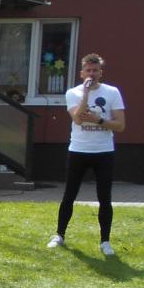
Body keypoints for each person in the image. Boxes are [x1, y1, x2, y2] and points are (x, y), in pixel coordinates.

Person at [48, 52, 125, 256]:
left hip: (104, 151)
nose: (92, 74)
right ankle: (59, 235)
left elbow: (120, 125)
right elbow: (78, 119)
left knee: (105, 198)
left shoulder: (112, 92)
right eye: (88, 70)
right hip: (78, 150)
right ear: (82, 73)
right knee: (69, 195)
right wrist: (86, 94)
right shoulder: (72, 93)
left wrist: (98, 120)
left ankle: (105, 241)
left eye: (95, 70)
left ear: (101, 72)